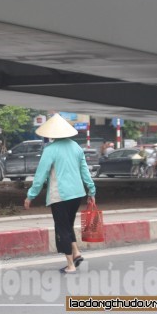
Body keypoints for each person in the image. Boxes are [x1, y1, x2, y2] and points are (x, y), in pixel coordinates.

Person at [24, 113, 96, 274]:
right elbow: (85, 171)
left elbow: (40, 176)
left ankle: (70, 265)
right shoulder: (77, 147)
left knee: (62, 228)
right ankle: (76, 252)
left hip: (60, 195)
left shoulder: (50, 150)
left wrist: (31, 195)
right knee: (67, 225)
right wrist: (91, 190)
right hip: (77, 194)